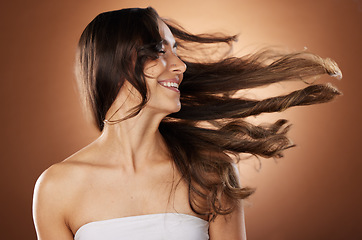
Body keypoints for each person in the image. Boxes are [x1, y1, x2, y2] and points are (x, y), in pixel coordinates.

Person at [32, 7, 341, 240]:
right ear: (115, 63)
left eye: (175, 50)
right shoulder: (57, 189)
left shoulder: (210, 171)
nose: (179, 65)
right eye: (158, 51)